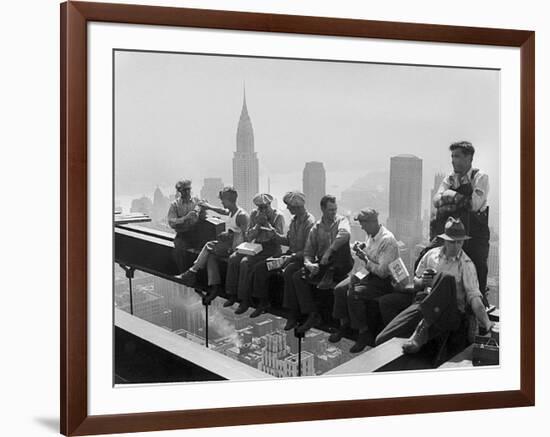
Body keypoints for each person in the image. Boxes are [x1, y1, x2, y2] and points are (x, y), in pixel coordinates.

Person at [375, 217, 493, 355]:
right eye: (452, 242)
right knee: (382, 339)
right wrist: (423, 282)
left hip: (449, 312)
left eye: (459, 242)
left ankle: (421, 331)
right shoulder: (431, 255)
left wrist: (487, 323)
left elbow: (475, 298)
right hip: (424, 304)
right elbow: (416, 282)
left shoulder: (466, 264)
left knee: (445, 278)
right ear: (445, 241)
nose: (456, 246)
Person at [330, 208, 400, 353]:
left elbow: (382, 272)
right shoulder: (371, 235)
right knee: (339, 289)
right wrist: (362, 248)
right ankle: (343, 325)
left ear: (373, 222)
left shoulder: (387, 240)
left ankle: (363, 332)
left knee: (354, 293)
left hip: (383, 281)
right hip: (367, 273)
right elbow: (370, 254)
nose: (361, 226)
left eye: (363, 223)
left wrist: (364, 258)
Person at [432, 141, 490, 298]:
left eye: (456, 156)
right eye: (452, 156)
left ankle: (478, 308)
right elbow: (436, 201)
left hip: (475, 234)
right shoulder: (450, 179)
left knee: (478, 268)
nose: (452, 160)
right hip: (452, 233)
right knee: (431, 257)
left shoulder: (480, 178)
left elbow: (474, 205)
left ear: (469, 158)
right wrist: (455, 201)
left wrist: (452, 196)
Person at [288, 195, 353, 334]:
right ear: (323, 209)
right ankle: (312, 313)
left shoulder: (342, 221)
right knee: (297, 276)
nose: (333, 212)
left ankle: (328, 275)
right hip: (324, 264)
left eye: (335, 209)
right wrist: (309, 264)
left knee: (341, 246)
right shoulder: (316, 228)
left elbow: (345, 234)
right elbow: (308, 252)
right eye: (330, 210)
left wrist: (329, 251)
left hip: (340, 263)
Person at [174, 187, 249, 304]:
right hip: (227, 245)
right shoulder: (232, 211)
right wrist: (208, 206)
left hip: (235, 249)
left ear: (229, 200)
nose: (222, 203)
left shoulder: (241, 215)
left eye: (223, 200)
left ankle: (192, 272)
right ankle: (214, 288)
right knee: (211, 256)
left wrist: (231, 234)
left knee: (209, 245)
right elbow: (222, 211)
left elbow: (247, 236)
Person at [248, 191, 316, 318]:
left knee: (289, 272)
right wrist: (274, 234)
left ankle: (293, 311)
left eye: (289, 205)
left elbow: (309, 250)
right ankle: (263, 302)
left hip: (300, 260)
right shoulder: (294, 220)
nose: (288, 208)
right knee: (262, 267)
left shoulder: (309, 223)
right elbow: (288, 241)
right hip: (290, 256)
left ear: (296, 206)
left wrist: (292, 257)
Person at [224, 193, 285, 314]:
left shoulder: (278, 217)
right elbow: (248, 237)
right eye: (259, 208)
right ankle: (232, 293)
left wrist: (267, 224)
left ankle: (245, 299)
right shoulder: (254, 214)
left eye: (264, 207)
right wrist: (257, 225)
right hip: (256, 246)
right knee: (233, 259)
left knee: (246, 263)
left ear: (269, 205)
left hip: (271, 249)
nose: (262, 210)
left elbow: (279, 239)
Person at [167, 179, 202, 272]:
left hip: (197, 234)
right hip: (183, 235)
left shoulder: (196, 201)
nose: (187, 192)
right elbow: (171, 222)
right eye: (184, 190)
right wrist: (185, 218)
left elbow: (203, 209)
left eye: (188, 189)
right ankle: (184, 273)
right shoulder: (175, 205)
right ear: (179, 191)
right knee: (179, 252)